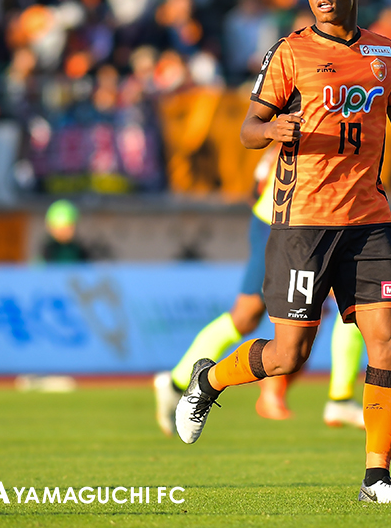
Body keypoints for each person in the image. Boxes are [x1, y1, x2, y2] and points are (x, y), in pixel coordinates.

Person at [174, 0, 391, 504]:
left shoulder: (387, 53)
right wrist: (273, 131)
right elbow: (249, 128)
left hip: (369, 219)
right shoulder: (290, 52)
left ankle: (377, 480)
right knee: (289, 354)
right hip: (302, 221)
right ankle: (208, 380)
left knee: (388, 341)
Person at [154, 145, 367, 432]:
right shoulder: (308, 127)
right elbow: (264, 173)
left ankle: (338, 398)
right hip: (280, 225)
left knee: (351, 302)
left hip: (317, 223)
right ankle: (178, 383)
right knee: (246, 316)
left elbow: (258, 181)